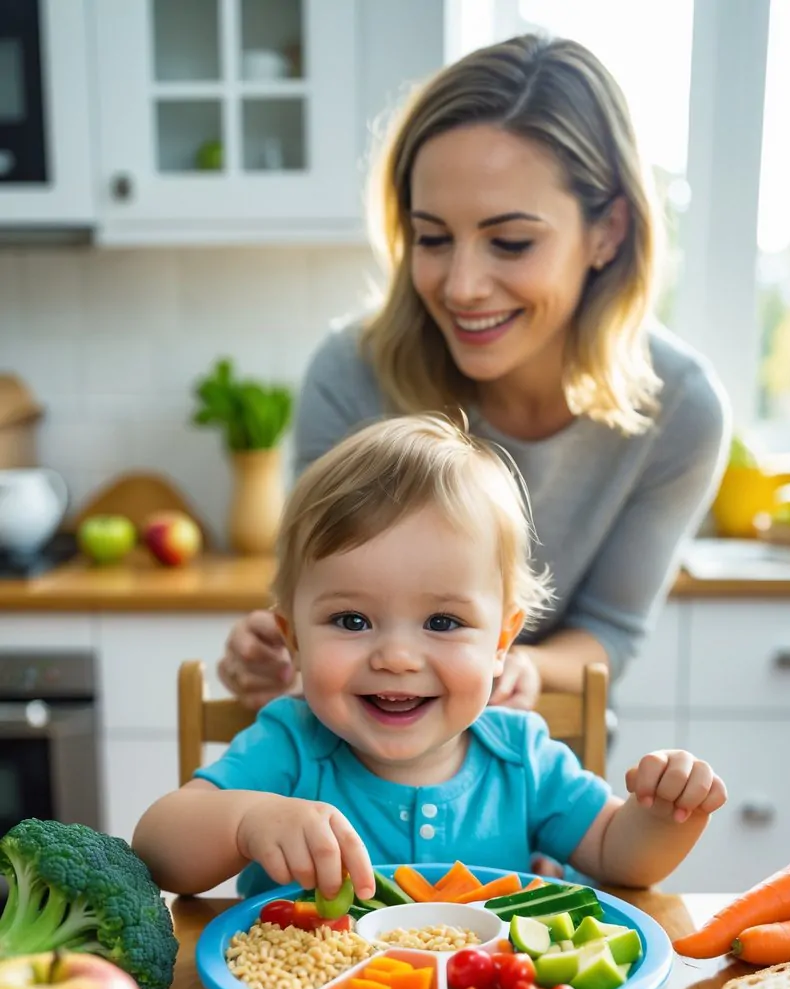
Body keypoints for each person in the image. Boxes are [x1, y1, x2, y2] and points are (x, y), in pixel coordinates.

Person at [218, 33, 730, 714]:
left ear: (607, 231)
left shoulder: (683, 410)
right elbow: (318, 605)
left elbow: (608, 634)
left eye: (510, 242)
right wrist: (286, 656)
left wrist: (512, 667)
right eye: (431, 238)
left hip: (539, 762)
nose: (461, 287)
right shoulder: (349, 373)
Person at [132, 416, 726, 902]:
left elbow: (622, 859)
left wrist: (667, 814)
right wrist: (246, 821)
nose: (395, 657)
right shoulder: (289, 746)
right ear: (293, 640)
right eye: (351, 621)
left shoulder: (521, 757)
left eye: (442, 622)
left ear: (501, 643)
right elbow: (159, 851)